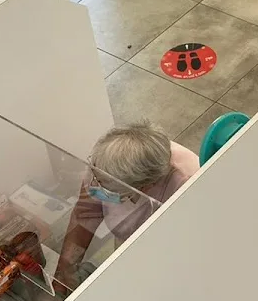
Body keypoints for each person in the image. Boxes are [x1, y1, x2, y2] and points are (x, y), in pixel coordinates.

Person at [56, 121, 199, 287]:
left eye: (106, 189)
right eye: (95, 177)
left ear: (145, 187)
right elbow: (84, 215)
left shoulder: (186, 188)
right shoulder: (105, 161)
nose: (94, 186)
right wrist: (64, 271)